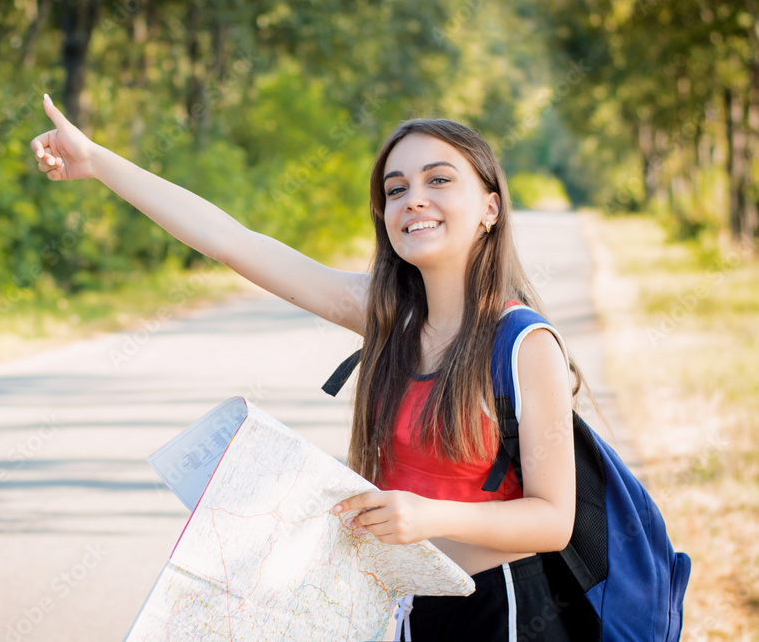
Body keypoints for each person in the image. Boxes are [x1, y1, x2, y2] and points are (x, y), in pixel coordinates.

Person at [30, 94, 581, 641]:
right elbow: (232, 242)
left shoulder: (523, 343)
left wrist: (431, 517)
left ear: (490, 207)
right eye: (396, 189)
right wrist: (98, 161)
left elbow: (554, 520)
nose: (414, 199)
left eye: (439, 180)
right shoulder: (389, 317)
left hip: (504, 611)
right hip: (402, 607)